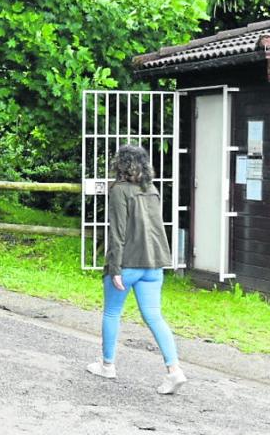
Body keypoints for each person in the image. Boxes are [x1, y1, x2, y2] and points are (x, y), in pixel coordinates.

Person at [86, 144, 186, 394]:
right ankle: (174, 370)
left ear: (120, 164)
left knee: (112, 312)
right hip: (153, 265)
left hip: (128, 264)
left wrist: (115, 267)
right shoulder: (152, 189)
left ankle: (107, 365)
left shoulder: (119, 190)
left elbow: (118, 232)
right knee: (154, 316)